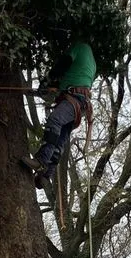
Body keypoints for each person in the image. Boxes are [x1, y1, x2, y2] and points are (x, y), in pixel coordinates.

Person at [21, 40, 97, 187]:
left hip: (73, 99)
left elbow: (63, 63)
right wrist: (48, 88)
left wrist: (49, 79)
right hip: (80, 104)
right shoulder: (92, 64)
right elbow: (72, 79)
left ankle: (41, 160)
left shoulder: (80, 46)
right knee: (60, 136)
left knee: (55, 121)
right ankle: (46, 175)